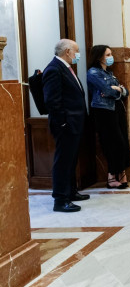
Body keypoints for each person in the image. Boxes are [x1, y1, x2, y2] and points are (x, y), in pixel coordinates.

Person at [42, 39, 90, 212]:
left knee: (71, 160)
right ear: (68, 51)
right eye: (76, 51)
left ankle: (71, 192)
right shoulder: (54, 69)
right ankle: (60, 199)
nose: (78, 54)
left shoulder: (65, 68)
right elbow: (52, 101)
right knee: (63, 161)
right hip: (65, 125)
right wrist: (62, 123)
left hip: (74, 123)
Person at [86, 45, 130, 189]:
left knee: (122, 141)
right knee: (112, 143)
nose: (111, 57)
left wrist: (118, 89)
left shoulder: (110, 73)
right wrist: (117, 89)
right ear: (99, 57)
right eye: (108, 55)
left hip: (116, 109)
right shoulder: (93, 72)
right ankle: (112, 176)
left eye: (111, 54)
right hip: (103, 111)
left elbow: (126, 92)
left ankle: (121, 173)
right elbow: (106, 90)